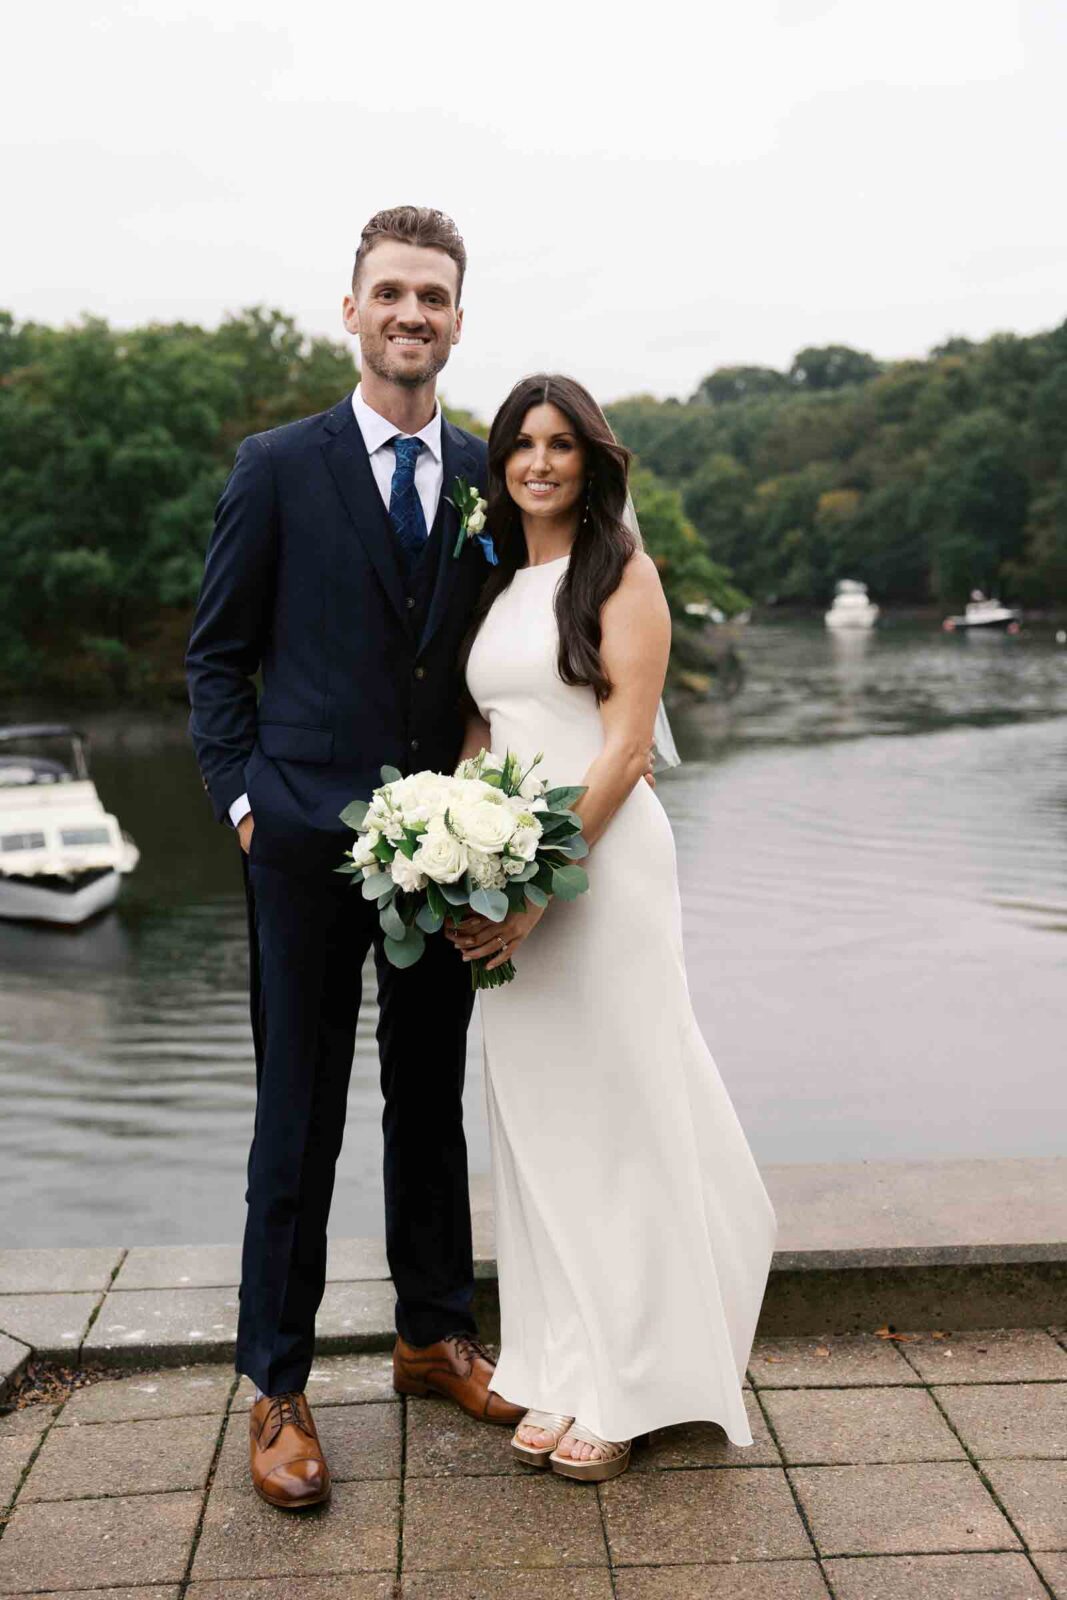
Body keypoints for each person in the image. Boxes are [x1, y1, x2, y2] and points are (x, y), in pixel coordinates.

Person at [185, 206, 527, 1511]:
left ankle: (431, 1336)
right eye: (389, 292)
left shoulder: (497, 474)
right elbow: (216, 658)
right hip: (296, 848)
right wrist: (238, 806)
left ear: (456, 316)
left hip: (444, 852)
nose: (411, 315)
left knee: (427, 1102)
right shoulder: (276, 466)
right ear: (351, 310)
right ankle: (275, 1385)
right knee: (298, 1116)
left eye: (433, 296)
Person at [449, 375, 778, 1482]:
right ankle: (560, 1354)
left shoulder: (621, 573)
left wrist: (544, 881)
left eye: (559, 444)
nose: (538, 462)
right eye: (520, 445)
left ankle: (634, 1382)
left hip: (601, 871)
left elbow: (624, 748)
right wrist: (452, 838)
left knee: (621, 1107)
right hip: (509, 871)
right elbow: (489, 731)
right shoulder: (497, 578)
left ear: (591, 459)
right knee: (541, 1123)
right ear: (500, 463)